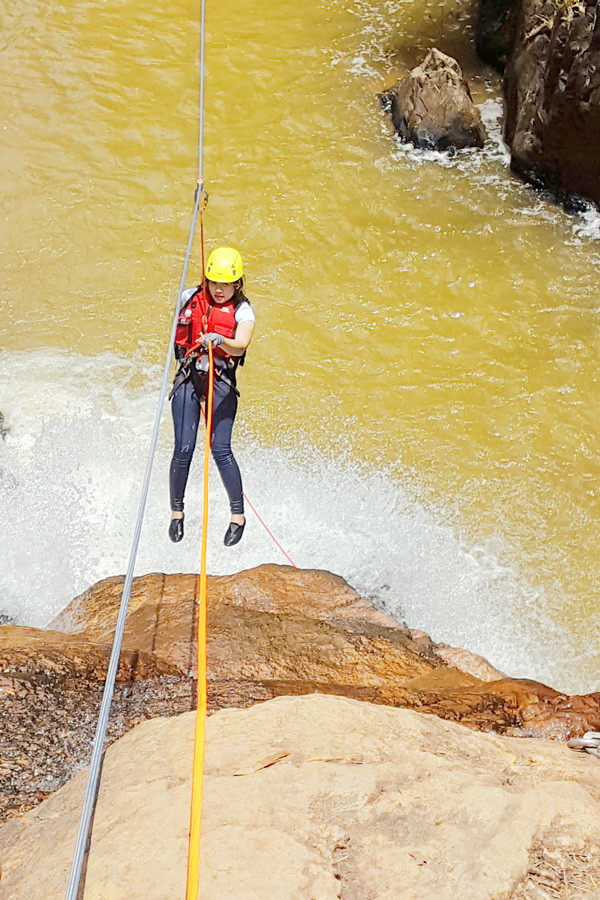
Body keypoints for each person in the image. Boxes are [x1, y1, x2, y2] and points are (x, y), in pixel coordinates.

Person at [168, 247, 255, 546]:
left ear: (237, 284)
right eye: (213, 282)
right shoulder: (190, 297)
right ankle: (177, 513)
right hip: (190, 376)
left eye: (226, 284)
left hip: (220, 380)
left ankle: (238, 516)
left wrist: (220, 339)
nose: (219, 290)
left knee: (220, 449)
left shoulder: (244, 311)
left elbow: (241, 345)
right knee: (184, 447)